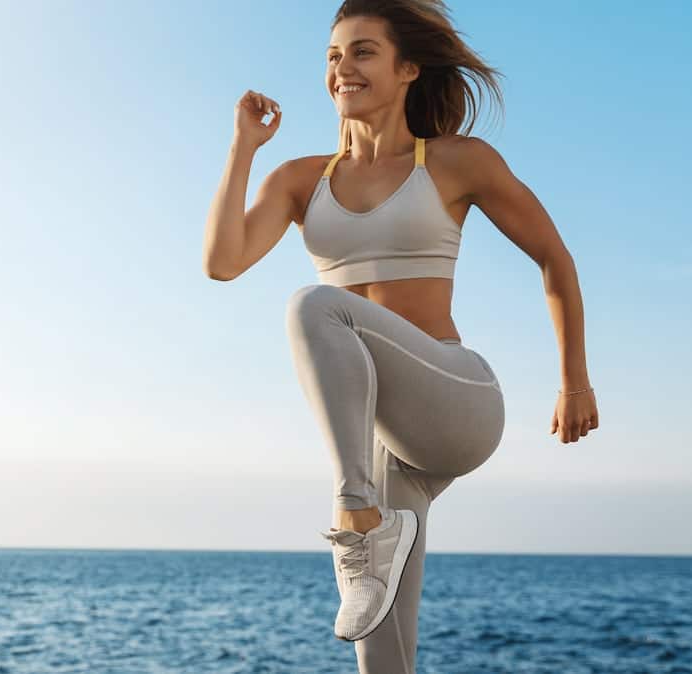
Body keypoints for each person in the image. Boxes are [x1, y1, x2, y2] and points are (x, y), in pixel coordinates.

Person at [201, 1, 600, 671]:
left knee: (315, 308)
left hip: (455, 398)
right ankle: (370, 525)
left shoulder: (455, 161)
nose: (341, 69)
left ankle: (356, 516)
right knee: (379, 649)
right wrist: (243, 146)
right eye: (332, 56)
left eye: (361, 52)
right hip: (384, 440)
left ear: (408, 68)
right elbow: (222, 262)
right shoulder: (302, 180)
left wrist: (574, 381)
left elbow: (555, 259)